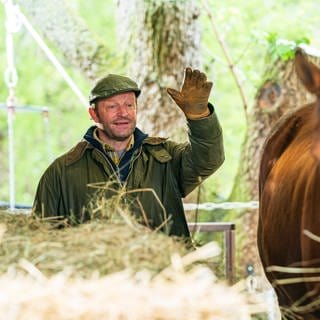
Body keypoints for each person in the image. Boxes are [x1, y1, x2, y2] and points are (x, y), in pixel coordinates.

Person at [33, 68, 224, 237]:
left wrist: (199, 118)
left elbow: (208, 160)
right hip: (97, 276)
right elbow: (41, 237)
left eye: (129, 105)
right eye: (112, 106)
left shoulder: (165, 158)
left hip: (163, 273)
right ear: (93, 114)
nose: (123, 113)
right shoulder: (61, 172)